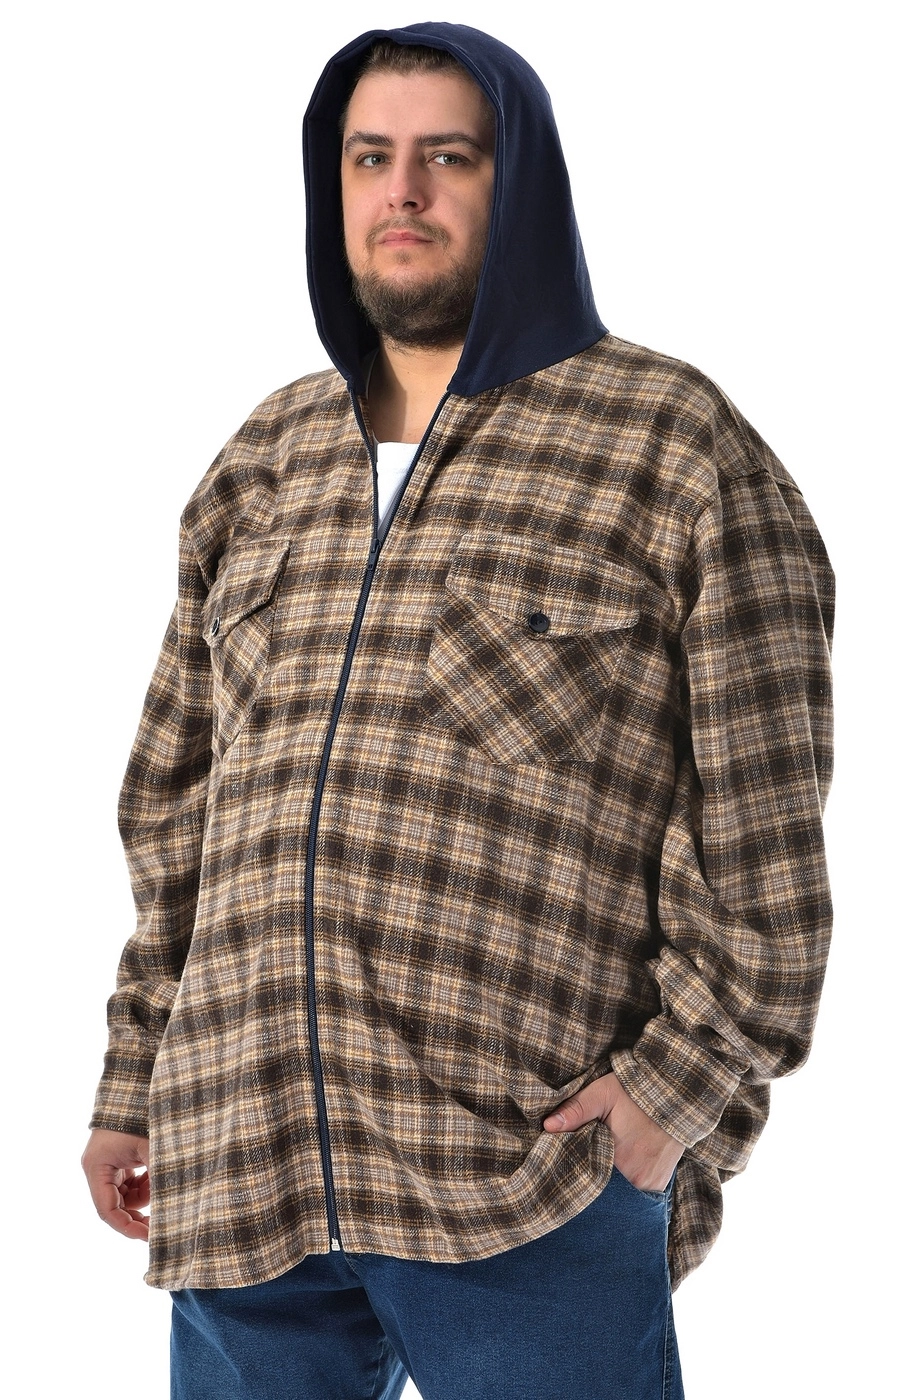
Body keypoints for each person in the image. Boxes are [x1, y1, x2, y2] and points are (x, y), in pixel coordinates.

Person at [82, 22, 834, 1400]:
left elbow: (763, 832)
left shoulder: (669, 444)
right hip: (241, 1159)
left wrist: (676, 1091)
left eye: (449, 157)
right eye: (370, 158)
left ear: (521, 181)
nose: (404, 192)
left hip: (521, 1171)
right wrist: (137, 1076)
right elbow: (173, 806)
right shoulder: (266, 457)